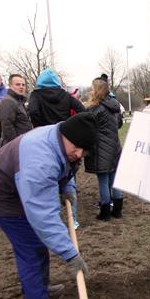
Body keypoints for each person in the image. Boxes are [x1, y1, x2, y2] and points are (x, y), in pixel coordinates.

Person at [0, 112, 97, 299]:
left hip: (19, 184)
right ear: (65, 135)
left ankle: (38, 289)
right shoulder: (40, 161)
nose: (79, 153)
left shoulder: (63, 140)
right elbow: (44, 215)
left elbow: (67, 163)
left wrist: (68, 187)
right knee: (31, 251)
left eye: (85, 150)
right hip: (2, 195)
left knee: (37, 248)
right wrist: (70, 254)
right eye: (77, 147)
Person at [27, 68, 86, 227]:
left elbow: (32, 110)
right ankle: (72, 218)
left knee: (47, 175)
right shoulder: (65, 95)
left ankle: (52, 219)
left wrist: (40, 126)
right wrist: (70, 125)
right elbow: (82, 110)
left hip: (45, 140)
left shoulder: (36, 95)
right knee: (68, 174)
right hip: (64, 138)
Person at [84, 77, 124, 221]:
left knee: (103, 180)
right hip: (115, 147)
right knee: (115, 180)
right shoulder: (115, 106)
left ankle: (105, 212)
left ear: (96, 90)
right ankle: (118, 210)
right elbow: (119, 124)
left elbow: (88, 128)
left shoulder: (94, 108)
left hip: (101, 149)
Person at [0, 74, 32, 147]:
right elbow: (7, 127)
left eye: (23, 85)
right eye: (17, 84)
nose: (21, 87)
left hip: (22, 141)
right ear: (10, 86)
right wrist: (16, 144)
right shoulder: (8, 102)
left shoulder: (19, 101)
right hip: (14, 145)